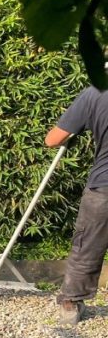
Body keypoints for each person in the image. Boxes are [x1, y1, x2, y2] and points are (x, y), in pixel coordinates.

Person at [46, 86, 108, 325]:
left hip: (104, 186)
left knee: (87, 245)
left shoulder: (95, 93)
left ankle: (71, 303)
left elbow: (53, 139)